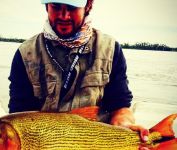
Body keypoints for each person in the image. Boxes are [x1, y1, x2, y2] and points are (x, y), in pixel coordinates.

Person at [8, 0, 149, 146]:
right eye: (56, 6)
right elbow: (19, 114)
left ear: (88, 5)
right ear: (47, 6)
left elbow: (119, 105)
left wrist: (124, 125)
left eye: (71, 7)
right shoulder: (25, 54)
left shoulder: (111, 49)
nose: (64, 16)